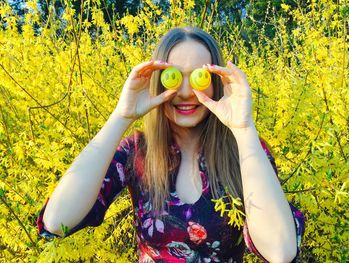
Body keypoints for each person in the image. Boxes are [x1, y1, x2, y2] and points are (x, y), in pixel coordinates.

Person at [36, 26, 304, 262]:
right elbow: (57, 220)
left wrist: (244, 130)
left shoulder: (246, 152)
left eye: (200, 76)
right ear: (156, 80)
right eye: (173, 76)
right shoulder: (137, 152)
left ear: (218, 83)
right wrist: (121, 116)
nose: (186, 92)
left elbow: (280, 251)